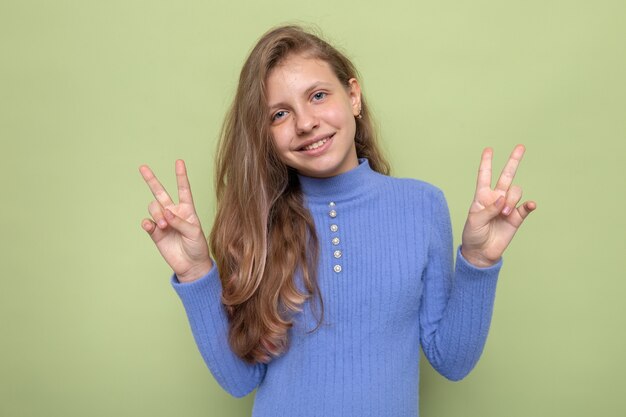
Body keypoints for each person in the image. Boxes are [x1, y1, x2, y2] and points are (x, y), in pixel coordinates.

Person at [138, 25, 536, 417]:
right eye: (279, 114)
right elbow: (239, 381)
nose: (305, 122)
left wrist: (478, 263)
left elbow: (452, 361)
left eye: (318, 95)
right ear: (265, 135)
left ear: (353, 96)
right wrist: (195, 272)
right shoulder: (259, 223)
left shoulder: (423, 206)